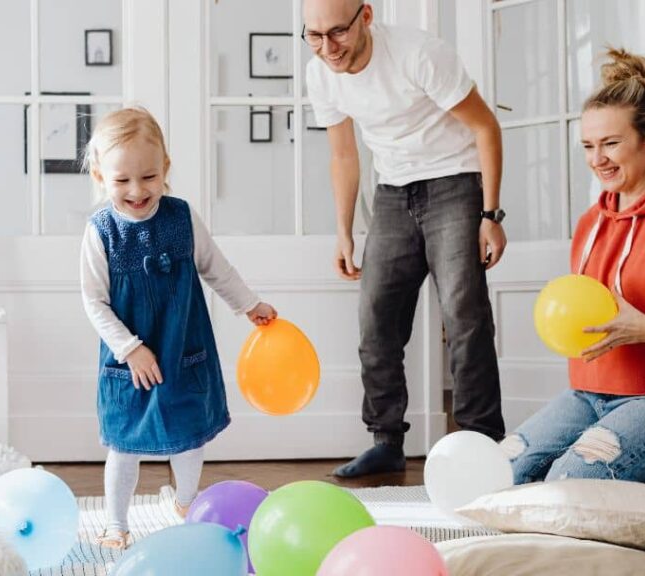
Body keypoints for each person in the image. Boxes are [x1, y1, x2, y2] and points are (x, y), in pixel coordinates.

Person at [502, 48, 645, 501]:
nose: (598, 159)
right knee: (501, 471)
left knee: (568, 488)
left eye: (611, 143)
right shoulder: (592, 222)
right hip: (592, 395)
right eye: (588, 146)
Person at [303, 0, 507, 477]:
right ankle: (386, 440)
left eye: (337, 33)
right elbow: (343, 157)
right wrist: (344, 230)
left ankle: (483, 443)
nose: (328, 48)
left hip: (455, 181)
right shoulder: (321, 74)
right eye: (313, 36)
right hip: (393, 192)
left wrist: (491, 214)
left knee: (465, 317)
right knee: (377, 320)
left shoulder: (419, 54)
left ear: (366, 17)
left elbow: (485, 126)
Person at [79, 107, 277, 548]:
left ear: (165, 169)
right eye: (122, 180)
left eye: (148, 177)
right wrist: (129, 348)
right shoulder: (101, 232)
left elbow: (217, 269)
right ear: (99, 176)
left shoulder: (182, 218)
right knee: (124, 442)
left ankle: (188, 502)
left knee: (188, 435)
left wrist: (249, 304)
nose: (136, 191)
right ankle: (116, 523)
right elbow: (94, 302)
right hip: (131, 361)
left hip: (183, 348)